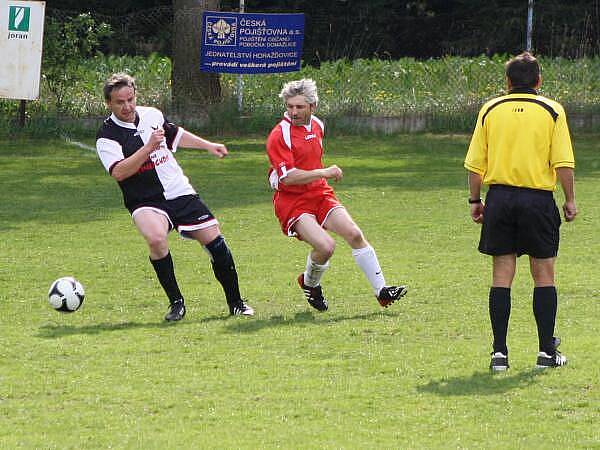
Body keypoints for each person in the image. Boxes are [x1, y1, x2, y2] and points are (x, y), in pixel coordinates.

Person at [95, 73, 254, 321]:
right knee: (156, 238)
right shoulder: (107, 135)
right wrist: (148, 147)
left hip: (178, 190)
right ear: (109, 104)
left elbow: (174, 134)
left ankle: (236, 303)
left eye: (130, 99)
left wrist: (208, 146)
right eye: (119, 102)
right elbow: (119, 172)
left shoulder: (152, 115)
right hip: (144, 199)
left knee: (215, 240)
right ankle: (176, 303)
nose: (127, 106)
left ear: (135, 95)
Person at [464, 52, 577, 371]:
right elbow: (563, 163)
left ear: (508, 82)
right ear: (539, 81)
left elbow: (476, 164)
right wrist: (570, 200)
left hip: (499, 199)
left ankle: (499, 353)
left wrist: (475, 201)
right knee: (544, 275)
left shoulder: (490, 109)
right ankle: (546, 353)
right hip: (538, 200)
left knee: (502, 274)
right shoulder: (553, 110)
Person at [266, 78, 407, 312]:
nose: (293, 112)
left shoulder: (318, 125)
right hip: (292, 200)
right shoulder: (280, 135)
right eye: (290, 106)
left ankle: (382, 292)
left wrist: (320, 176)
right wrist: (325, 171)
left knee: (354, 234)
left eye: (299, 107)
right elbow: (287, 177)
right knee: (326, 246)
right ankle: (310, 284)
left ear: (313, 107)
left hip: (319, 193)